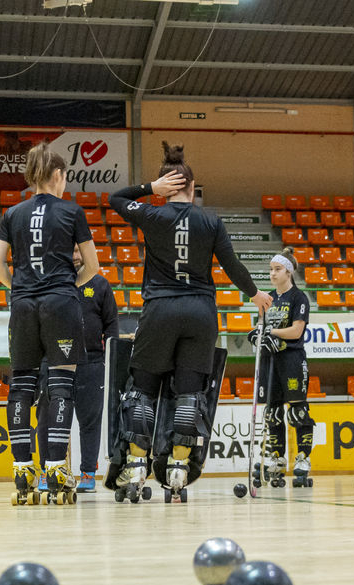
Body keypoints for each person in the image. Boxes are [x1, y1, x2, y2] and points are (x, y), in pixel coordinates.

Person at [107, 142, 272, 500]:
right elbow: (231, 265)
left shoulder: (152, 214)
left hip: (160, 310)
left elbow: (115, 199)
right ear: (194, 189)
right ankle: (178, 469)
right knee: (189, 395)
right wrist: (255, 294)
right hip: (200, 313)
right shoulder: (211, 221)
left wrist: (150, 189)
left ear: (167, 186)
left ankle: (136, 466)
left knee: (143, 391)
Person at [0, 141, 100, 505]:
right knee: (61, 386)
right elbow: (93, 267)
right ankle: (55, 467)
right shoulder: (72, 211)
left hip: (22, 306)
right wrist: (66, 285)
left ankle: (22, 468)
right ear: (57, 175)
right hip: (60, 304)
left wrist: (21, 287)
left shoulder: (12, 213)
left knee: (20, 385)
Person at [34, 244, 119, 493]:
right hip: (54, 362)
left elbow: (112, 324)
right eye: (69, 250)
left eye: (78, 250)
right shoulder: (47, 283)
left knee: (90, 422)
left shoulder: (101, 285)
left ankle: (87, 474)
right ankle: (49, 470)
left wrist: (109, 361)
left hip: (91, 363)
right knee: (47, 420)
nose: (74, 255)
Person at [248, 246, 314, 488]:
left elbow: (297, 331)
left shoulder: (299, 298)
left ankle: (303, 458)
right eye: (270, 270)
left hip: (291, 360)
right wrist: (258, 334)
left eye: (277, 270)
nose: (272, 274)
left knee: (297, 410)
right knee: (273, 412)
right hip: (269, 360)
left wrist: (270, 331)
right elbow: (260, 326)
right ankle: (277, 458)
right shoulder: (266, 298)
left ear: (288, 272)